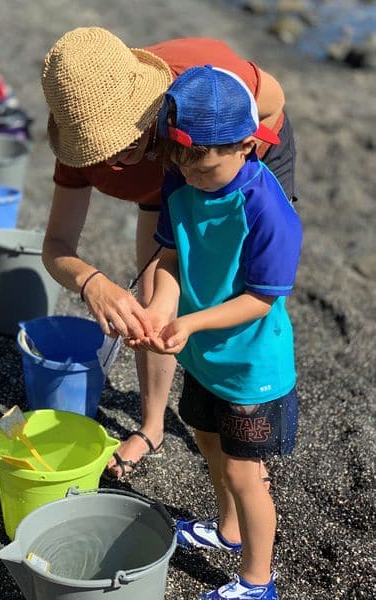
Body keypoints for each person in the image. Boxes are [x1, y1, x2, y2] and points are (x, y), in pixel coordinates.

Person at [41, 26, 297, 479]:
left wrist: (236, 162)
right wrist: (92, 283)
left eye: (123, 146)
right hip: (173, 182)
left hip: (225, 158)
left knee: (233, 290)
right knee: (155, 299)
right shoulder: (80, 143)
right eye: (99, 152)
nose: (113, 163)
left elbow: (273, 99)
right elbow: (56, 246)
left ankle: (246, 423)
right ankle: (153, 426)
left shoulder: (201, 81)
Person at [125, 65, 302, 599]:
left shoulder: (267, 209)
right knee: (206, 438)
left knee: (248, 476)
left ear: (247, 145)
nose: (191, 177)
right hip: (203, 356)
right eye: (180, 163)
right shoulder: (180, 177)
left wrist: (190, 322)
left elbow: (261, 298)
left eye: (204, 168)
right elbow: (173, 256)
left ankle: (257, 582)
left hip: (251, 368)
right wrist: (160, 306)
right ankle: (227, 531)